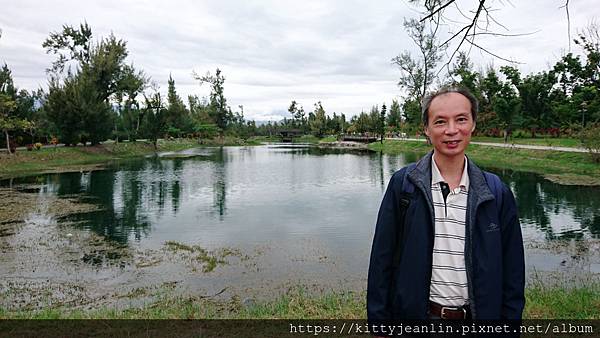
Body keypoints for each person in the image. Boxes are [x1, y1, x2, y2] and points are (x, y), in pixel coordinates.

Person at [367, 87, 525, 321]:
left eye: (461, 119)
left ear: (473, 124)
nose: (452, 130)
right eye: (440, 122)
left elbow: (513, 271)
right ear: (427, 129)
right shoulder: (404, 186)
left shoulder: (495, 192)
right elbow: (382, 258)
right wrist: (379, 321)